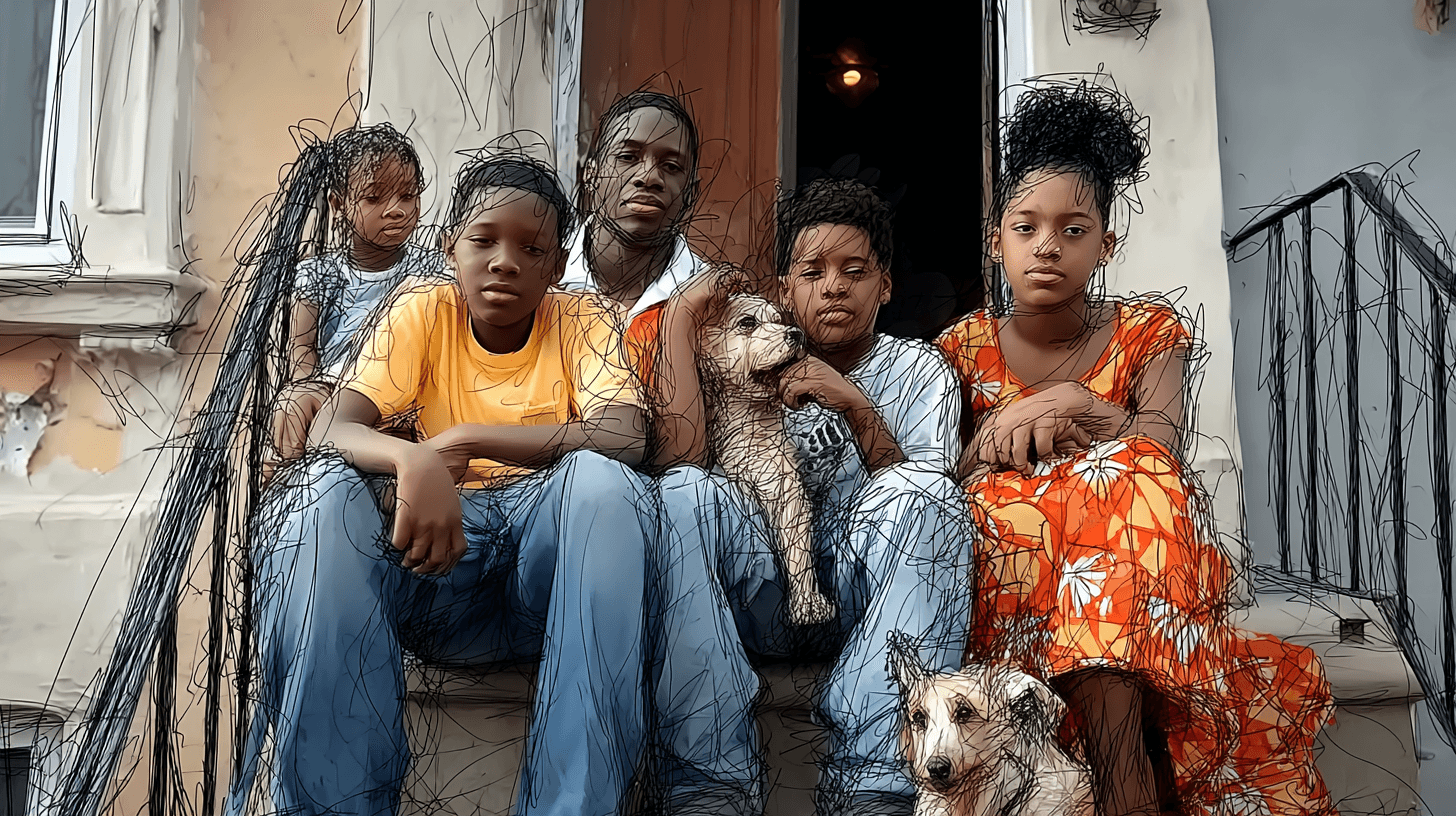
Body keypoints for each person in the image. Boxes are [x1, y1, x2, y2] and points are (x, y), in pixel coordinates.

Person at [936, 80, 1335, 816]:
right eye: (1026, 227)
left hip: (1124, 577)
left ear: (1106, 243)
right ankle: (1129, 783)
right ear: (997, 241)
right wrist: (1000, 433)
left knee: (1135, 477)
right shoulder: (958, 349)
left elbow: (1160, 447)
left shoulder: (1150, 332)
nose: (1048, 245)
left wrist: (1079, 402)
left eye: (1073, 229)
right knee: (1078, 506)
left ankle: (1122, 775)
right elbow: (942, 477)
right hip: (1022, 580)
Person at [227, 153, 657, 816]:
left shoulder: (582, 319)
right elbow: (331, 430)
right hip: (437, 570)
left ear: (559, 264)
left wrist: (460, 441)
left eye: (530, 247)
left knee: (605, 486)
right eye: (483, 241)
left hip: (547, 586)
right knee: (317, 496)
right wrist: (414, 463)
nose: (505, 261)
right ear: (447, 246)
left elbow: (626, 434)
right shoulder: (423, 310)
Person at [646, 177, 975, 816]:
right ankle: (710, 782)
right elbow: (679, 456)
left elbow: (927, 506)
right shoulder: (740, 360)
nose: (833, 286)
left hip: (866, 606)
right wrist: (685, 320)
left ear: (885, 286)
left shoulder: (917, 367)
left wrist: (854, 405)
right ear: (784, 290)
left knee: (928, 494)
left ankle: (877, 782)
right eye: (813, 271)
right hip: (762, 586)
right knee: (683, 492)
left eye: (855, 271)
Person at [269, 123, 447, 470]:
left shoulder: (431, 269)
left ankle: (393, 481)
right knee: (293, 404)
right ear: (339, 204)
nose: (395, 210)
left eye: (407, 196)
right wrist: (310, 387)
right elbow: (302, 347)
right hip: (335, 389)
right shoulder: (319, 274)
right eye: (374, 198)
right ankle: (296, 475)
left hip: (404, 391)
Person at [560, 90, 705, 317]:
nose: (648, 178)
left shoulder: (714, 299)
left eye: (671, 166)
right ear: (591, 174)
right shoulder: (543, 275)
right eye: (627, 157)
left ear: (691, 192)